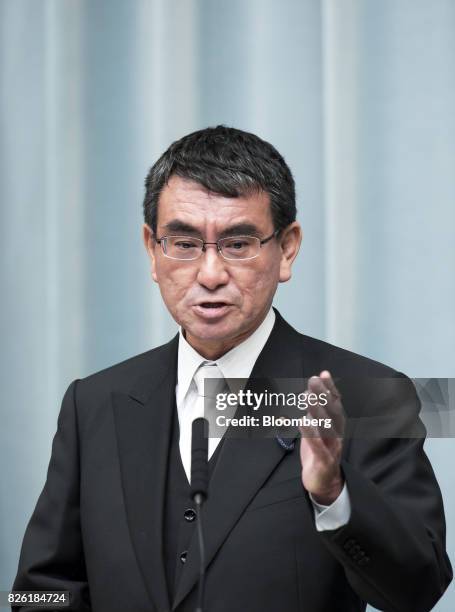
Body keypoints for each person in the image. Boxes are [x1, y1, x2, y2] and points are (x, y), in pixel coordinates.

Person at [12, 126, 452, 612]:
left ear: (286, 249)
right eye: (183, 243)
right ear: (151, 251)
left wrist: (334, 494)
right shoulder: (93, 402)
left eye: (237, 244)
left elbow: (419, 588)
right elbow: (40, 586)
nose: (210, 274)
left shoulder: (370, 395)